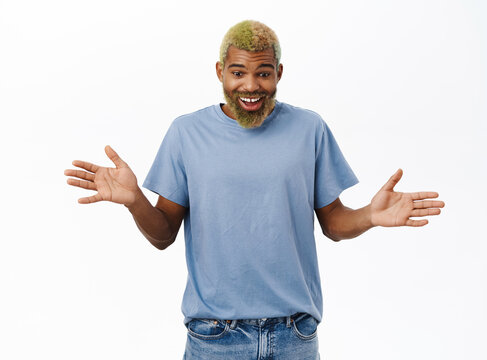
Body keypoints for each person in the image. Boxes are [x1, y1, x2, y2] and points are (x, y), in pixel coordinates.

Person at [64, 20, 444, 360]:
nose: (250, 86)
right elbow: (163, 234)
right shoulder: (186, 133)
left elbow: (333, 222)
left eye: (263, 73)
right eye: (238, 72)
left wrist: (370, 216)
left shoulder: (309, 129)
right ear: (220, 72)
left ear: (278, 72)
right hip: (214, 337)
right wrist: (135, 202)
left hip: (294, 334)